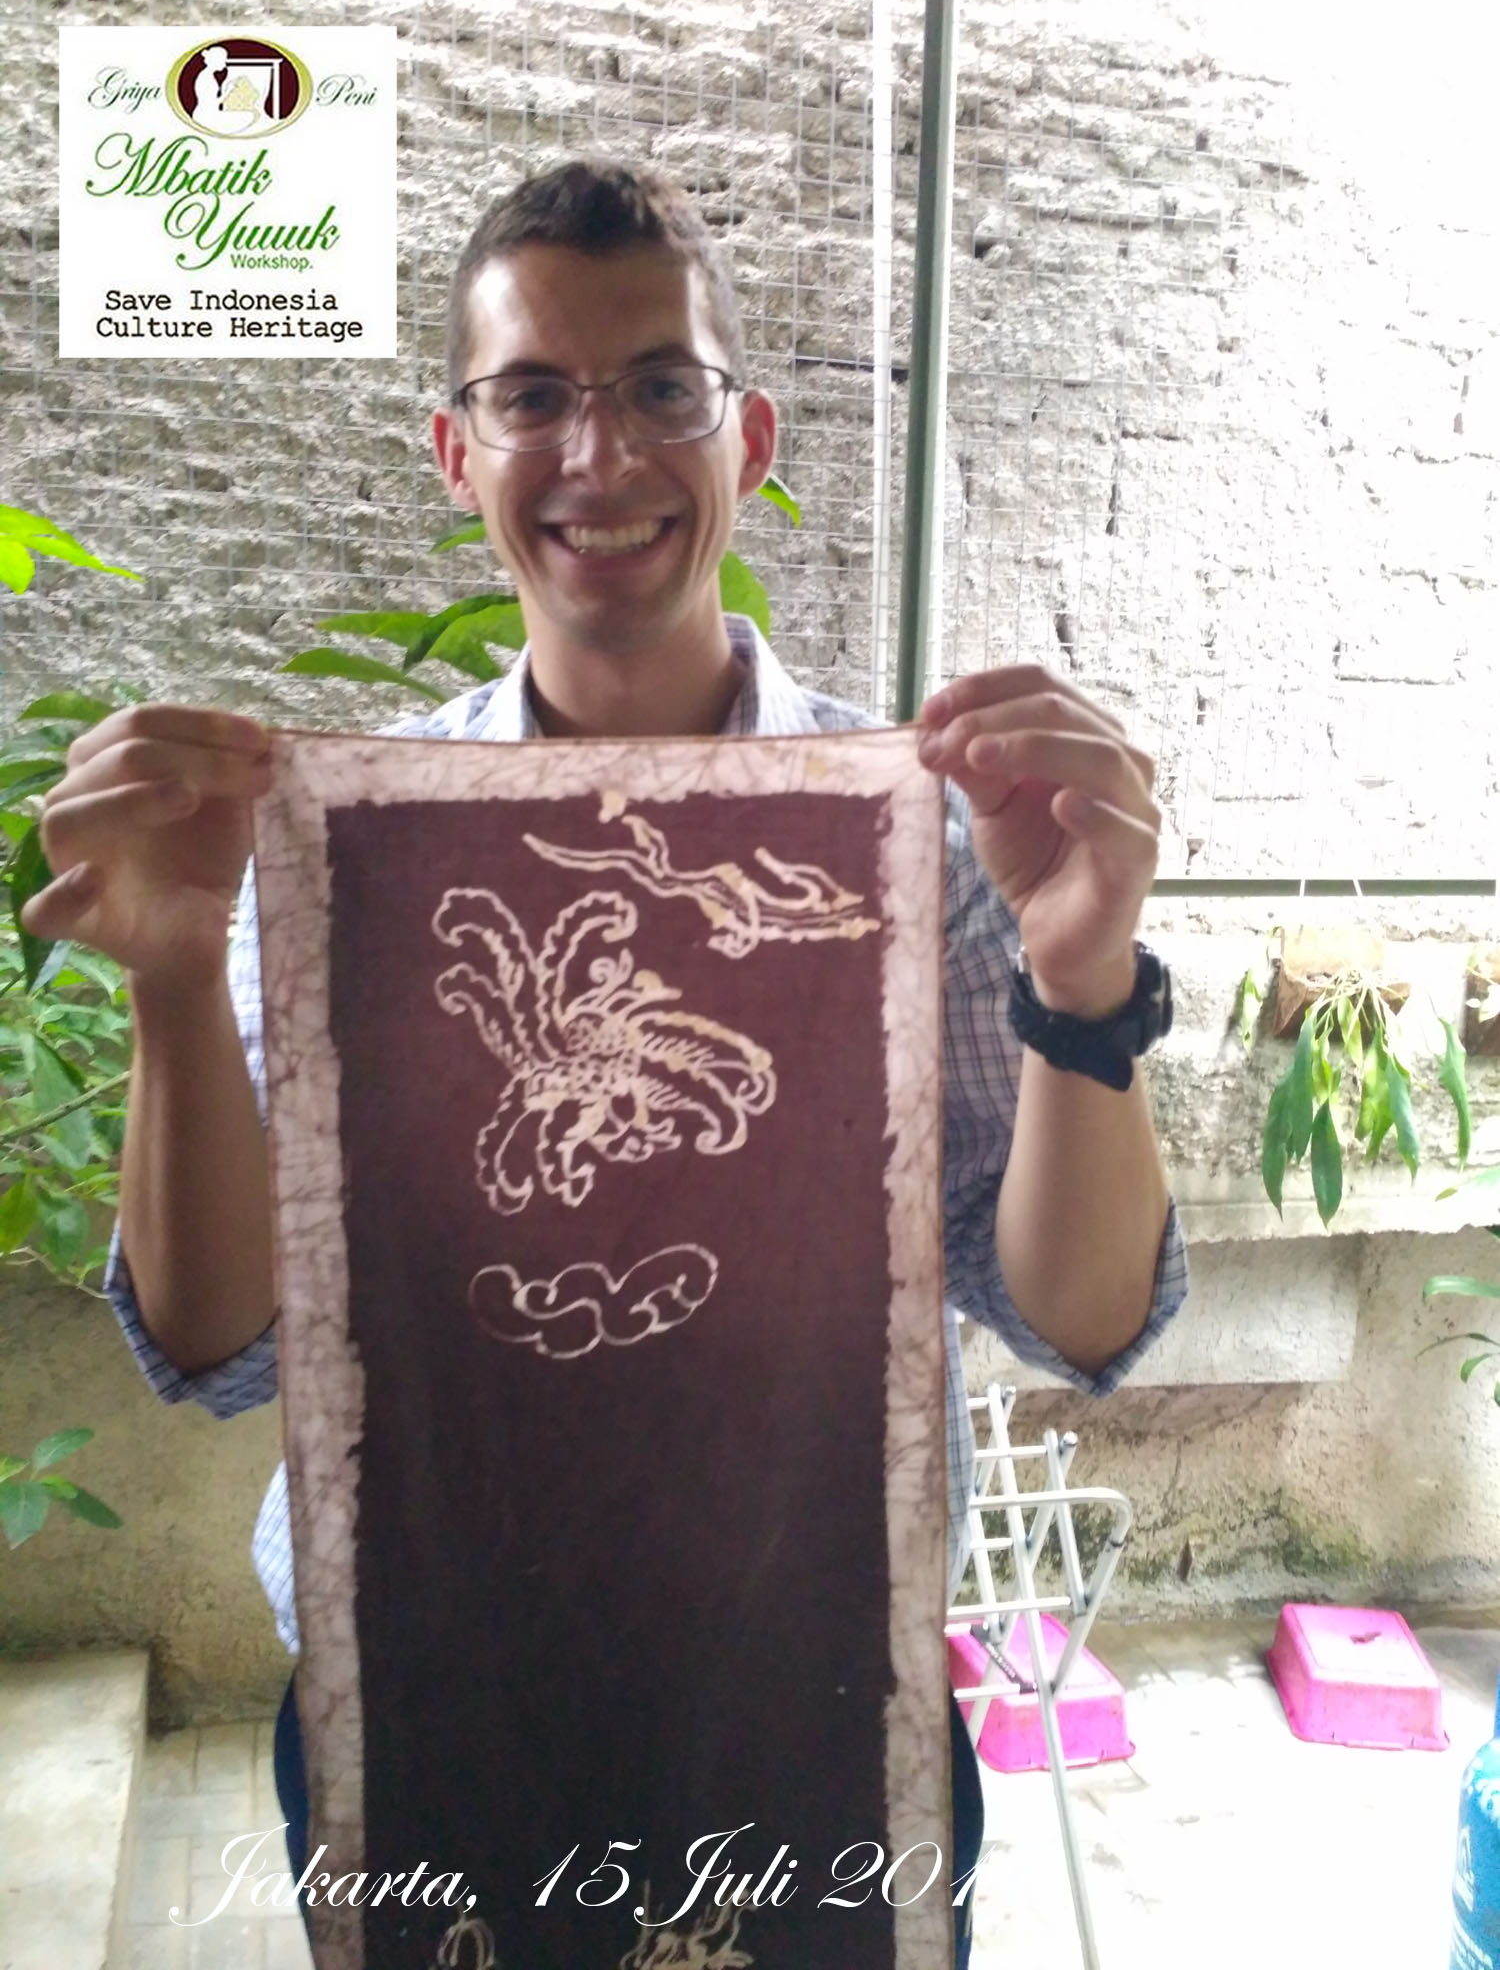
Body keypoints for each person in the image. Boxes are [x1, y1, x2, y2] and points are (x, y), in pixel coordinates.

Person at [28, 158, 1187, 1967]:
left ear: (749, 435)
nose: (601, 453)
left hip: (817, 1702)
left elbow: (1079, 1320)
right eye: (531, 397)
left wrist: (1084, 972)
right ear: (455, 451)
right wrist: (176, 975)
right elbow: (222, 1347)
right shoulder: (334, 860)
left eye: (661, 386)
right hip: (422, 1704)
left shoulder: (930, 844)